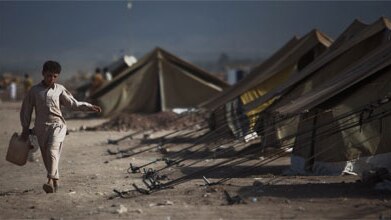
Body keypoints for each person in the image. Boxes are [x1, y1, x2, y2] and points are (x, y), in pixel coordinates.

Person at [20, 60, 101, 193]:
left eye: (55, 76)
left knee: (53, 149)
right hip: (40, 128)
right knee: (47, 156)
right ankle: (55, 181)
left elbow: (73, 104)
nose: (51, 79)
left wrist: (89, 107)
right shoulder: (34, 91)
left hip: (58, 126)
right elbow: (26, 110)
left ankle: (49, 179)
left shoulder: (60, 89)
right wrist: (25, 129)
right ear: (43, 74)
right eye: (49, 75)